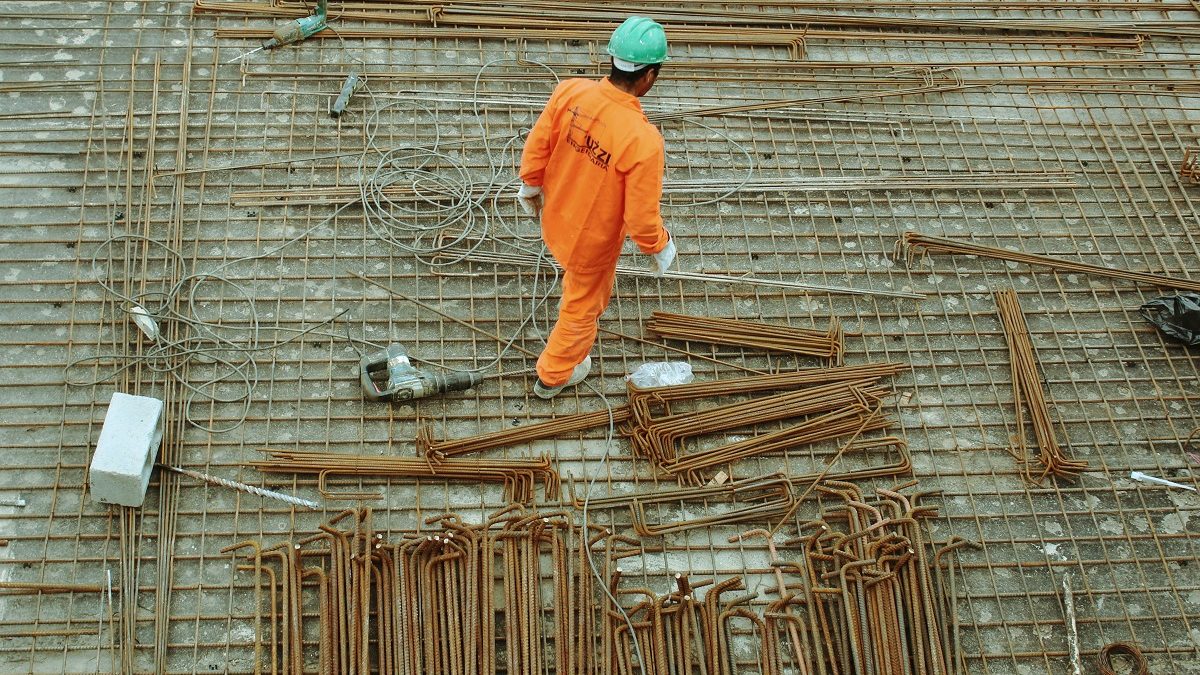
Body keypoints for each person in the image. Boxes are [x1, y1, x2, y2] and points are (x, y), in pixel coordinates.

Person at [516, 16, 677, 399]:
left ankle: (559, 364)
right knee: (581, 308)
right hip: (590, 244)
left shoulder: (570, 92)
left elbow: (538, 144)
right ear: (649, 76)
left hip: (554, 216)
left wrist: (530, 185)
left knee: (574, 285)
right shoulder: (643, 141)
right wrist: (660, 245)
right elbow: (641, 219)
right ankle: (553, 376)